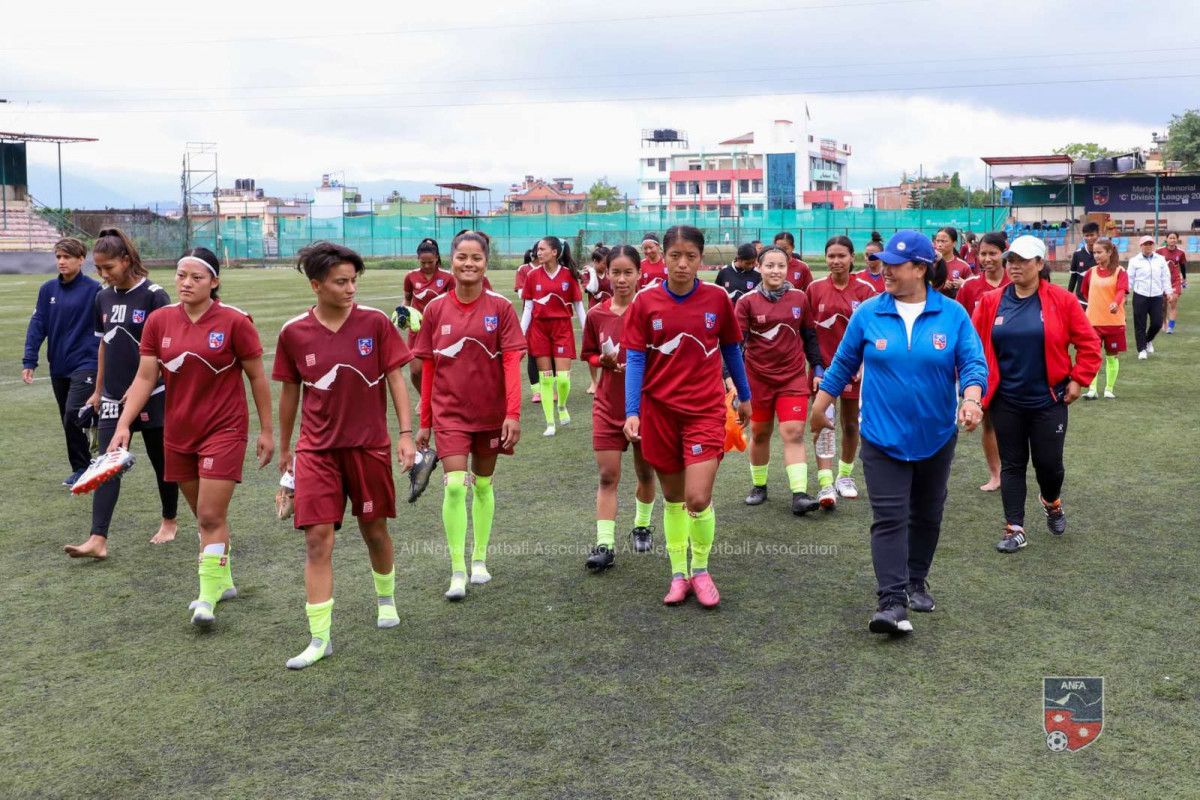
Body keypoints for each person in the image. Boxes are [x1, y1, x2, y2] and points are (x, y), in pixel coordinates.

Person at [809, 230, 987, 635]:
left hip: (936, 435)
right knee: (889, 517)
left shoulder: (952, 315)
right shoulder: (869, 312)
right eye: (883, 262)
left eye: (894, 264)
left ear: (921, 269)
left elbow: (973, 364)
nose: (884, 269)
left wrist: (972, 399)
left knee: (926, 514)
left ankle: (916, 580)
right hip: (881, 436)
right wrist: (819, 408)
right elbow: (841, 365)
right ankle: (891, 601)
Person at [111, 247, 274, 628]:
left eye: (196, 277)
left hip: (225, 429)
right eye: (181, 275)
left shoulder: (236, 321)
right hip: (178, 431)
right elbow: (145, 378)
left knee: (210, 514)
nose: (186, 282)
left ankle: (206, 597)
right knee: (204, 516)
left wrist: (266, 431)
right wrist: (123, 425)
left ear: (214, 282)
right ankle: (225, 580)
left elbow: (257, 378)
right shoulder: (159, 321)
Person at [274, 241, 417, 669]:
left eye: (354, 280)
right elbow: (289, 393)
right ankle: (320, 638)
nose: (351, 288)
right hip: (316, 450)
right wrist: (286, 448)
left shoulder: (375, 323)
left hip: (369, 447)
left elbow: (395, 379)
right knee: (318, 540)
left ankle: (386, 598)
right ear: (316, 285)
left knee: (374, 531)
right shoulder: (293, 332)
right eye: (341, 282)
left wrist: (406, 434)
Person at [623, 225, 751, 608]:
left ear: (701, 258)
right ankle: (679, 574)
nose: (682, 263)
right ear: (663, 256)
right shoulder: (645, 302)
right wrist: (632, 411)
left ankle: (701, 569)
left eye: (690, 256)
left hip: (705, 411)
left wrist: (744, 396)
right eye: (674, 255)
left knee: (698, 497)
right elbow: (635, 358)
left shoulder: (716, 298)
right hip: (659, 412)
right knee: (674, 498)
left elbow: (731, 348)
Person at [414, 231, 525, 601]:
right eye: (462, 257)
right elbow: (427, 368)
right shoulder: (434, 310)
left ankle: (480, 559)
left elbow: (511, 363)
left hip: (490, 412)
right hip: (449, 413)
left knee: (483, 484)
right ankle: (457, 570)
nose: (469, 264)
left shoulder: (501, 308)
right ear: (452, 260)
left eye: (476, 258)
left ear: (486, 263)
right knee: (456, 484)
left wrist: (512, 413)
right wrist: (426, 421)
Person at [972, 235, 1101, 554]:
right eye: (1010, 260)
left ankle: (1052, 502)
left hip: (1049, 399)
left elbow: (1089, 344)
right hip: (1007, 401)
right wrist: (974, 391)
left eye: (1022, 260)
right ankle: (1014, 528)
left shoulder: (1062, 300)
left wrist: (1079, 379)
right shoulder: (992, 301)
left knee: (1049, 465)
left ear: (1040, 264)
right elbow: (973, 346)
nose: (1014, 266)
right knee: (1013, 464)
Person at [63, 229, 179, 560]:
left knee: (163, 464)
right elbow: (104, 344)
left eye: (108, 267)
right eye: (98, 269)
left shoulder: (155, 296)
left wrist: (140, 387)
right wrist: (98, 391)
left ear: (126, 260)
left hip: (153, 394)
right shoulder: (102, 297)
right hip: (114, 398)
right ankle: (97, 538)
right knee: (107, 464)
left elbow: (162, 353)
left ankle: (170, 520)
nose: (103, 274)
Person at [580, 245, 658, 570]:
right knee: (607, 475)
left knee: (644, 472)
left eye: (628, 272)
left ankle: (641, 526)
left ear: (640, 274)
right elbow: (588, 353)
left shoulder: (652, 311)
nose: (622, 279)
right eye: (616, 273)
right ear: (606, 274)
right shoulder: (597, 314)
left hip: (643, 408)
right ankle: (605, 545)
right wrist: (604, 360)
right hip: (607, 405)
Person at [736, 246, 823, 515]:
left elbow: (809, 335)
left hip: (792, 378)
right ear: (759, 268)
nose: (776, 271)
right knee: (760, 433)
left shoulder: (799, 298)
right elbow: (736, 345)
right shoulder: (746, 302)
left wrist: (818, 368)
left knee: (793, 433)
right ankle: (759, 486)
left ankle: (799, 495)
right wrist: (735, 385)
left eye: (781, 266)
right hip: (757, 380)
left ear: (789, 268)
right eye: (770, 265)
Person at [22, 237, 100, 485]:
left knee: (72, 414)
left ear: (81, 259)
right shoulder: (47, 290)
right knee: (68, 418)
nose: (62, 261)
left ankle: (85, 465)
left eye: (67, 257)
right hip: (59, 365)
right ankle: (82, 465)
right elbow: (37, 325)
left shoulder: (95, 290)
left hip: (86, 363)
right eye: (58, 257)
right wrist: (29, 360)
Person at [806, 235, 877, 508]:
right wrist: (816, 366)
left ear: (852, 258)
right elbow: (808, 333)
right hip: (823, 370)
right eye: (831, 256)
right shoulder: (814, 289)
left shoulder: (866, 290)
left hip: (855, 370)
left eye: (841, 256)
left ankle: (844, 477)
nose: (836, 261)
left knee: (850, 423)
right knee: (823, 422)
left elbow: (873, 332)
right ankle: (825, 483)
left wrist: (861, 364)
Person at [956, 231, 1011, 492]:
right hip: (982, 363)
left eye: (993, 253)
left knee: (1015, 421)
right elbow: (959, 324)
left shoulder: (1017, 282)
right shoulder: (969, 287)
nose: (987, 259)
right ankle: (996, 474)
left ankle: (1015, 471)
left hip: (1014, 362)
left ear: (1005, 253)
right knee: (988, 420)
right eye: (982, 254)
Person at [520, 236, 587, 436]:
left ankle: (562, 406)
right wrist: (520, 334)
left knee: (564, 379)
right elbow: (528, 308)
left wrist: (587, 332)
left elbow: (579, 306)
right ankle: (550, 422)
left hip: (562, 328)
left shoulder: (568, 275)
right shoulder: (532, 275)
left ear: (555, 252)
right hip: (539, 330)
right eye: (537, 250)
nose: (538, 253)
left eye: (542, 249)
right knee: (546, 379)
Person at [401, 238, 454, 390]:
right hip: (417, 330)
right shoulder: (410, 277)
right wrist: (401, 311)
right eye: (423, 262)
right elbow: (406, 299)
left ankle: (434, 400)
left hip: (440, 328)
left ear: (437, 258)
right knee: (416, 371)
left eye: (430, 262)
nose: (426, 266)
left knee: (440, 369)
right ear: (418, 259)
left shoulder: (448, 278)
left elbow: (454, 303)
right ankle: (425, 398)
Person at [1080, 238, 1127, 399]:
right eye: (1094, 252)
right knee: (1093, 356)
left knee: (1111, 356)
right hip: (1092, 322)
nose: (1096, 255)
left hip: (1114, 323)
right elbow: (1085, 292)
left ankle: (1109, 389)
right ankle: (1092, 390)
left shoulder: (1120, 271)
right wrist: (1096, 304)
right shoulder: (1090, 272)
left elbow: (1121, 290)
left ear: (1109, 252)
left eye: (1099, 252)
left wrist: (1115, 303)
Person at [1126, 235, 1173, 359]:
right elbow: (1129, 279)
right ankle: (1141, 350)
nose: (1148, 246)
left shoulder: (1160, 259)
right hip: (1140, 295)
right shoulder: (1134, 261)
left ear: (1153, 245)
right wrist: (1125, 293)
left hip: (1157, 296)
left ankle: (1147, 340)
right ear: (1141, 246)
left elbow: (1165, 277)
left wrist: (1168, 292)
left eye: (1150, 244)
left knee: (1157, 323)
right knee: (1140, 324)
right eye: (1145, 244)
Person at [582, 245, 613, 394]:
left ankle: (610, 379)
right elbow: (592, 289)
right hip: (595, 315)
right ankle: (594, 382)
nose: (606, 265)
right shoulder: (588, 273)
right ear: (595, 261)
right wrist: (593, 271)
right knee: (594, 348)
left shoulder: (611, 272)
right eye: (603, 262)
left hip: (611, 314)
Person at [514, 245, 544, 403]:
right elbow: (520, 293)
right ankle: (536, 391)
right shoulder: (525, 269)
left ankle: (549, 388)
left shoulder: (557, 271)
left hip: (549, 321)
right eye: (540, 249)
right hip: (532, 319)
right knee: (533, 355)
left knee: (550, 356)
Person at [1157, 232, 1187, 333]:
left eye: (1174, 238)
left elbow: (1182, 266)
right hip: (1162, 281)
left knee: (1173, 301)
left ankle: (1170, 326)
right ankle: (1164, 322)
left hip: (1175, 281)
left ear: (1177, 240)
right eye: (1170, 238)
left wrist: (1185, 279)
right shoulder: (1159, 251)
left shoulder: (1181, 252)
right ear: (1166, 239)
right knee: (1162, 305)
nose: (1172, 240)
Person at [933, 226, 971, 297]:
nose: (939, 245)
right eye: (937, 241)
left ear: (954, 243)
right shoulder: (929, 264)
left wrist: (965, 284)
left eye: (944, 241)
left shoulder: (964, 266)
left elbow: (974, 289)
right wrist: (939, 284)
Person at [1068, 221, 1099, 306]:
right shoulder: (1077, 254)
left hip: (1099, 300)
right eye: (1086, 235)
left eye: (1092, 235)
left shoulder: (1105, 254)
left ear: (1098, 235)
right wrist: (1068, 295)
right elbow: (1073, 277)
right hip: (1081, 300)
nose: (1089, 238)